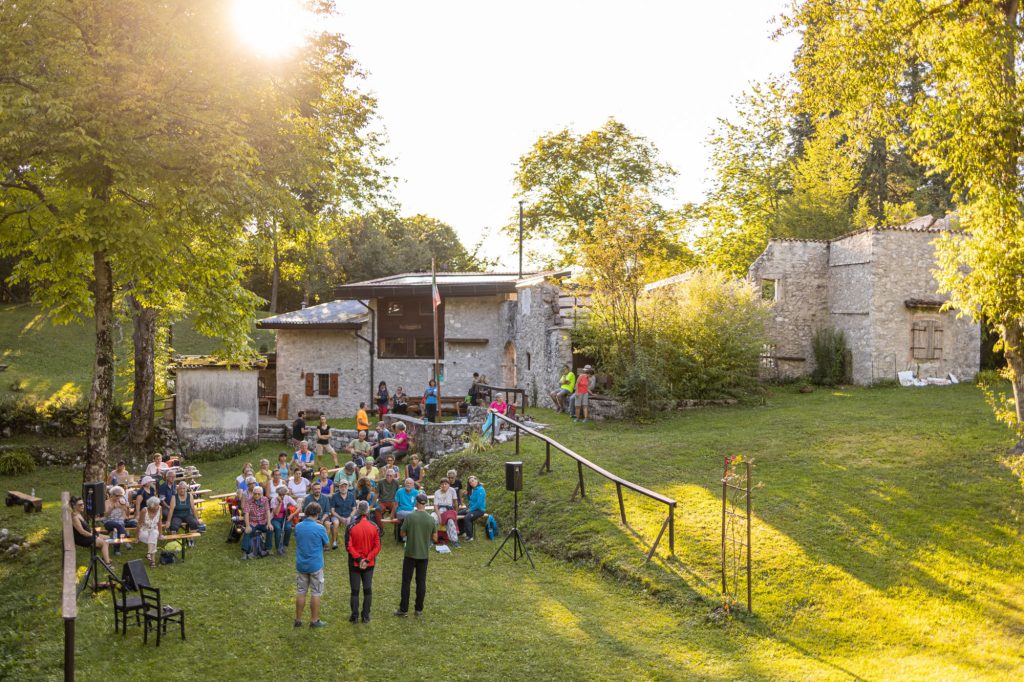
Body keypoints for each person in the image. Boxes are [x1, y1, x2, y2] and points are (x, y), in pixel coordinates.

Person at [395, 493, 437, 617]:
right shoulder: (430, 519)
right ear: (426, 504)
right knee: (421, 582)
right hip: (424, 555)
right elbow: (435, 538)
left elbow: (402, 534)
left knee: (406, 582)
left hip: (410, 554)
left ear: (416, 503)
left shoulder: (410, 517)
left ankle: (403, 610)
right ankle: (418, 609)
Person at [294, 501, 329, 628]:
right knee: (316, 592)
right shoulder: (320, 528)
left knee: (301, 591)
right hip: (315, 565)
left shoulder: (298, 526)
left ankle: (298, 620)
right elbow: (326, 543)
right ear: (317, 514)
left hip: (301, 564)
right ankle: (314, 621)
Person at [347, 500, 381, 624]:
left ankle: (354, 616)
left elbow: (348, 546)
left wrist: (359, 559)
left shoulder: (350, 526)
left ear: (357, 509)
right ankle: (366, 616)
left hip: (354, 563)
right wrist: (367, 559)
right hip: (369, 563)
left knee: (355, 591)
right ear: (367, 510)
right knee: (367, 590)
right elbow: (377, 547)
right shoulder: (374, 526)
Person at [70, 496, 112, 565]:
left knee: (108, 538)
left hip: (88, 534)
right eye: (80, 505)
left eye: (83, 504)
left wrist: (94, 532)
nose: (83, 506)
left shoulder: (79, 514)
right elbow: (82, 532)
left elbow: (86, 528)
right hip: (82, 538)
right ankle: (107, 563)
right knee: (104, 543)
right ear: (74, 506)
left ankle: (104, 557)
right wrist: (94, 536)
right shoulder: (75, 517)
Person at [241, 486, 272, 560]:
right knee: (247, 532)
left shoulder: (265, 500)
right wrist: (248, 526)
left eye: (259, 494)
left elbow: (268, 511)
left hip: (262, 521)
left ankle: (268, 549)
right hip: (253, 522)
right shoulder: (248, 501)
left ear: (261, 494)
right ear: (253, 494)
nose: (257, 495)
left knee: (270, 529)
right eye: (255, 494)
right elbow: (246, 514)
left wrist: (269, 523)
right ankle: (245, 552)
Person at [303, 481, 337, 549]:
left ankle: (324, 544)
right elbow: (306, 512)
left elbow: (327, 511)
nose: (317, 490)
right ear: (312, 490)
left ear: (321, 489)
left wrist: (322, 519)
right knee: (312, 526)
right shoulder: (308, 499)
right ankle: (314, 543)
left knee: (327, 524)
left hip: (323, 517)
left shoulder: (325, 498)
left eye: (319, 489)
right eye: (315, 489)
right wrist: (315, 520)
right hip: (311, 518)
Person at [432, 478, 461, 549]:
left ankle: (455, 541)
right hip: (439, 510)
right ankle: (432, 539)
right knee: (432, 519)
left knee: (451, 521)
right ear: (440, 485)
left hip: (448, 510)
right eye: (442, 484)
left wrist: (455, 513)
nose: (444, 485)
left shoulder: (452, 490)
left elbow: (455, 503)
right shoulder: (437, 492)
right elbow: (435, 506)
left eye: (446, 484)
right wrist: (439, 516)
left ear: (449, 485)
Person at [103, 486, 131, 555]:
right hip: (109, 522)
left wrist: (127, 508)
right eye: (117, 496)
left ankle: (117, 549)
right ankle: (125, 541)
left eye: (121, 496)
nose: (118, 497)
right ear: (112, 495)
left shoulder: (121, 502)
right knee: (118, 527)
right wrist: (112, 507)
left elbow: (127, 516)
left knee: (118, 528)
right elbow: (105, 515)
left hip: (120, 522)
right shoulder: (107, 502)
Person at [328, 481, 356, 548]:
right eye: (342, 486)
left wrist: (350, 517)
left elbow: (354, 509)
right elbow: (332, 511)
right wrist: (340, 518)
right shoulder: (334, 496)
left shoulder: (351, 495)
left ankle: (353, 541)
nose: (343, 488)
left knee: (356, 521)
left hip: (349, 515)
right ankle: (334, 541)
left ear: (348, 487)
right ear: (339, 487)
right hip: (337, 515)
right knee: (336, 522)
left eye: (345, 486)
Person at [271, 485, 297, 555]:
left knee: (288, 528)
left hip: (286, 518)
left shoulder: (288, 498)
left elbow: (298, 507)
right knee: (278, 529)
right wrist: (280, 503)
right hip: (275, 519)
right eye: (280, 495)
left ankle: (284, 545)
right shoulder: (273, 499)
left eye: (283, 495)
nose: (282, 496)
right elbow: (276, 513)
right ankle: (278, 547)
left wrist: (292, 514)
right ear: (277, 494)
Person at [137, 496, 162, 567]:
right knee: (153, 539)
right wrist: (136, 538)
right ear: (151, 506)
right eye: (156, 505)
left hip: (154, 529)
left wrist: (160, 534)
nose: (158, 506)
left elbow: (159, 522)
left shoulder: (160, 508)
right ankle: (150, 556)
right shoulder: (144, 510)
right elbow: (139, 525)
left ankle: (152, 559)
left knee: (154, 533)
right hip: (144, 531)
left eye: (158, 504)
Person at [461, 475, 486, 541]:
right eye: (470, 482)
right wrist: (467, 495)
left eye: (473, 481)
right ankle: (462, 532)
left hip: (479, 510)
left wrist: (470, 510)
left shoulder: (480, 489)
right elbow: (470, 500)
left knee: (467, 517)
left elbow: (479, 503)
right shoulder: (473, 489)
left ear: (477, 480)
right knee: (459, 514)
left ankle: (470, 536)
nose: (472, 483)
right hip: (472, 509)